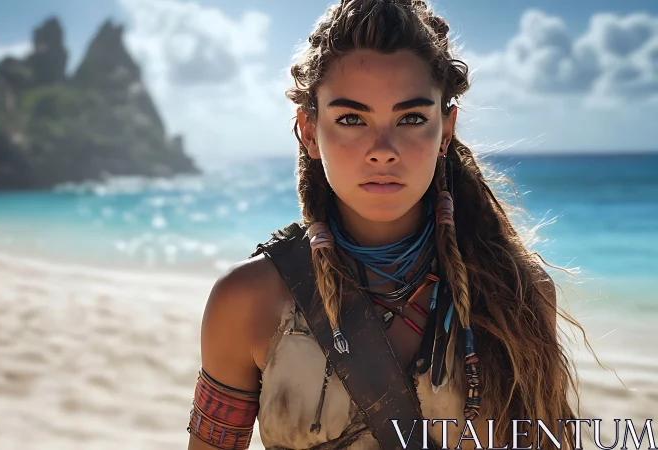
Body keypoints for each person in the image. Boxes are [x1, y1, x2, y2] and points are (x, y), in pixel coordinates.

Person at [187, 0, 596, 449]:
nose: (383, 149)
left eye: (412, 119)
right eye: (350, 119)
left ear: (445, 131)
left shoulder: (517, 294)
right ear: (308, 131)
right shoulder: (247, 302)